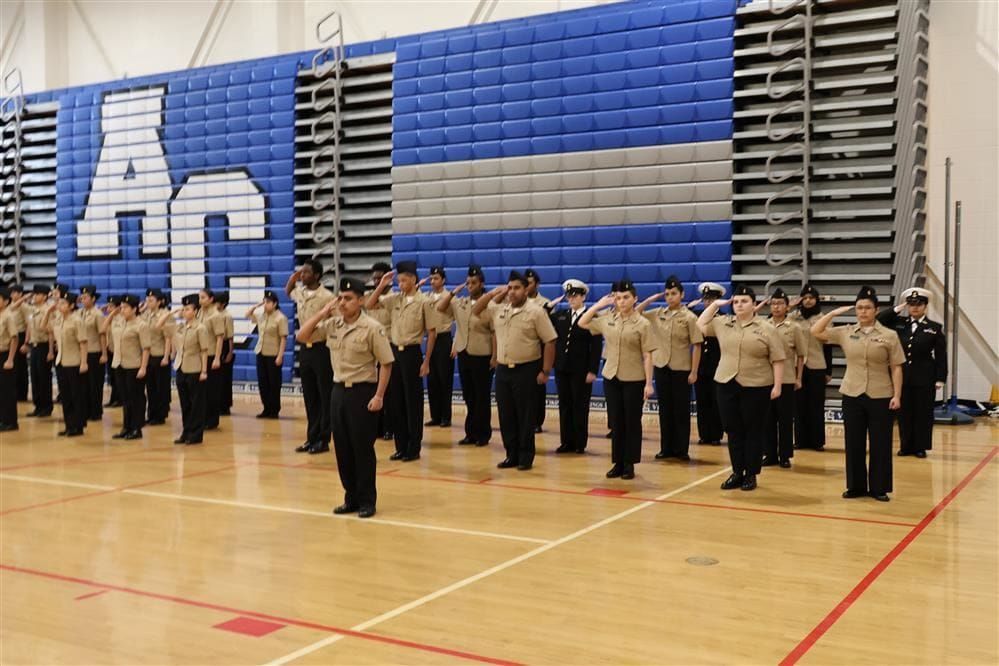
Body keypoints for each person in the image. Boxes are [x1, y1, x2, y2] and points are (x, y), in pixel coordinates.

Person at [297, 277, 394, 519]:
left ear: (361, 300)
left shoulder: (372, 327)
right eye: (340, 298)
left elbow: (386, 363)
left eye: (348, 298)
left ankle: (367, 500)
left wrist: (379, 396)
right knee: (342, 448)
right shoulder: (333, 325)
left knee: (362, 449)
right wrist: (322, 313)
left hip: (362, 392)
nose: (342, 302)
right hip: (338, 392)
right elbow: (302, 335)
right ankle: (351, 497)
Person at [812, 286, 904, 501]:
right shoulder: (846, 332)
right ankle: (856, 486)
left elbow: (897, 367)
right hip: (852, 394)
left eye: (867, 308)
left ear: (876, 310)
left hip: (880, 394)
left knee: (880, 443)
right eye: (859, 308)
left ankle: (879, 487)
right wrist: (833, 314)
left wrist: (897, 395)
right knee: (854, 442)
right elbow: (815, 331)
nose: (863, 311)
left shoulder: (889, 335)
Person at [697, 285, 786, 492]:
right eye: (736, 301)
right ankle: (737, 471)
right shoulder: (723, 323)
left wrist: (778, 385)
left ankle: (751, 474)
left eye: (744, 301)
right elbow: (700, 324)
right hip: (726, 383)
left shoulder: (767, 328)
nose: (739, 305)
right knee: (733, 430)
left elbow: (778, 359)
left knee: (753, 431)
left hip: (756, 385)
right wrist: (716, 305)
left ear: (754, 304)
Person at [473, 271, 557, 470]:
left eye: (517, 288)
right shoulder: (500, 309)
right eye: (510, 288)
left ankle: (525, 456)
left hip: (526, 369)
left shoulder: (536, 312)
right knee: (506, 415)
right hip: (503, 370)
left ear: (526, 290)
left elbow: (550, 341)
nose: (512, 292)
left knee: (525, 416)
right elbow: (476, 309)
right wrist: (495, 293)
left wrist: (545, 371)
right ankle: (511, 454)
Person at [579, 280, 656, 479]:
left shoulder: (643, 324)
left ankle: (629, 463)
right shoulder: (607, 318)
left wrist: (649, 383)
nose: (622, 301)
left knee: (632, 422)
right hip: (611, 377)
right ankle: (618, 462)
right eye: (619, 298)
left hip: (634, 378)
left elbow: (648, 355)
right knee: (616, 421)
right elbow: (582, 322)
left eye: (626, 297)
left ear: (635, 299)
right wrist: (598, 305)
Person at [365, 261, 436, 462]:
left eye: (404, 280)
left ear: (413, 279)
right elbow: (369, 304)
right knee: (396, 402)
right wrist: (381, 285)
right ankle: (401, 446)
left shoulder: (424, 301)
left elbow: (431, 332)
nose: (401, 284)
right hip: (394, 352)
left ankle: (413, 447)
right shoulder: (395, 298)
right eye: (399, 280)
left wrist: (426, 361)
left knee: (412, 403)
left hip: (412, 353)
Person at [638, 275, 703, 462]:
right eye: (667, 294)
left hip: (681, 368)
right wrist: (651, 299)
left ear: (682, 294)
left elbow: (697, 345)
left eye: (673, 293)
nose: (670, 297)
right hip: (662, 367)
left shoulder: (689, 317)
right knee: (665, 409)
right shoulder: (658, 313)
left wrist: (694, 371)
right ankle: (666, 448)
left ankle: (681, 449)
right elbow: (636, 312)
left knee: (681, 410)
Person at [877, 287, 946, 459]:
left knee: (923, 413)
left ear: (925, 306)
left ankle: (920, 447)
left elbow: (941, 355)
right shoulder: (899, 324)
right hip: (902, 375)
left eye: (919, 304)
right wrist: (897, 308)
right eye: (911, 304)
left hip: (925, 376)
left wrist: (940, 378)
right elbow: (879, 320)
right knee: (904, 413)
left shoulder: (934, 328)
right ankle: (906, 445)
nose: (915, 307)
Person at [436, 265, 496, 447]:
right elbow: (440, 307)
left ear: (481, 284)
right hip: (464, 353)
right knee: (469, 396)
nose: (470, 286)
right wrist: (452, 293)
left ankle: (483, 434)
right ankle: (471, 433)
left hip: (482, 354)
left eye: (474, 283)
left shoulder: (490, 305)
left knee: (481, 396)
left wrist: (495, 356)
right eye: (468, 282)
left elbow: (494, 332)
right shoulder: (461, 302)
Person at [286, 260, 335, 454]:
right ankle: (311, 437)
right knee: (310, 396)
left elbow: (334, 322)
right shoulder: (301, 292)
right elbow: (288, 291)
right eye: (302, 271)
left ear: (317, 275)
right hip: (305, 349)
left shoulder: (327, 297)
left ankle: (323, 439)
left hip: (321, 348)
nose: (302, 275)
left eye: (306, 272)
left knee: (324, 396)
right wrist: (293, 278)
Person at [549, 279, 602, 454]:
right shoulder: (561, 315)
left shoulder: (591, 316)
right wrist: (549, 306)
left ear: (583, 297)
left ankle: (579, 442)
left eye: (575, 296)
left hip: (581, 369)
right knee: (565, 405)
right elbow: (543, 318)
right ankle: (566, 441)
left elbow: (596, 346)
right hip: (562, 367)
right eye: (569, 296)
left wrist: (592, 370)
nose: (571, 299)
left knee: (580, 405)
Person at [761, 289, 807, 469]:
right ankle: (770, 454)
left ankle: (785, 455)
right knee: (767, 419)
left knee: (785, 419)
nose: (776, 307)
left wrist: (799, 377)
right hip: (766, 378)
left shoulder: (794, 327)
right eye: (773, 303)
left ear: (787, 307)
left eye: (780, 303)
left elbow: (801, 355)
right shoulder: (763, 325)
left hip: (787, 378)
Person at [161, 294, 212, 445]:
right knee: (185, 404)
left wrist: (204, 371)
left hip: (195, 369)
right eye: (183, 309)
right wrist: (171, 313)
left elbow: (204, 351)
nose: (184, 312)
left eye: (188, 309)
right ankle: (186, 431)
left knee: (196, 404)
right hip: (181, 368)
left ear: (195, 311)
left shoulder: (200, 328)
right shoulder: (180, 327)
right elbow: (159, 325)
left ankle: (196, 434)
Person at [790, 283, 834, 451]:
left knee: (816, 405)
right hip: (797, 366)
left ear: (817, 300)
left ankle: (817, 441)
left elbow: (828, 346)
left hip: (817, 365)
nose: (808, 301)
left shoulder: (824, 319)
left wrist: (828, 371)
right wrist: (789, 307)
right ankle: (800, 440)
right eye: (805, 298)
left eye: (811, 298)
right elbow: (776, 323)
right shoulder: (793, 317)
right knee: (799, 405)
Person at [105, 295, 151, 440]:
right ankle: (126, 427)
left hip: (134, 365)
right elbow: (103, 328)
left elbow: (146, 348)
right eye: (121, 307)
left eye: (125, 307)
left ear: (134, 309)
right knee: (125, 398)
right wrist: (113, 312)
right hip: (119, 364)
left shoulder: (141, 325)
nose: (122, 310)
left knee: (135, 398)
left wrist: (143, 367)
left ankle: (137, 428)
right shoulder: (120, 322)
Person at [47, 291, 88, 437]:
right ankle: (69, 425)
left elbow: (83, 342)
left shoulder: (77, 320)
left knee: (76, 395)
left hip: (74, 362)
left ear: (71, 306)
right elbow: (44, 327)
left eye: (63, 303)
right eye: (59, 303)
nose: (60, 305)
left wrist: (84, 362)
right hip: (61, 361)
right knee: (66, 396)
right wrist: (48, 311)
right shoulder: (59, 319)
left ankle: (78, 426)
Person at [690, 282, 726, 445]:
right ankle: (704, 434)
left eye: (711, 299)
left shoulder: (723, 318)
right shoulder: (698, 316)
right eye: (705, 299)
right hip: (701, 366)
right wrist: (690, 306)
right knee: (702, 401)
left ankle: (716, 435)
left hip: (717, 365)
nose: (707, 302)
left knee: (715, 402)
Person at [247, 290, 288, 419]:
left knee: (274, 383)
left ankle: (274, 410)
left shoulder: (281, 318)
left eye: (268, 302)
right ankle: (266, 408)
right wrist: (257, 305)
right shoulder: (262, 316)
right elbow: (248, 314)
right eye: (264, 302)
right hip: (261, 352)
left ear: (275, 303)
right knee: (263, 382)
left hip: (273, 354)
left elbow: (283, 338)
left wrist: (280, 356)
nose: (266, 304)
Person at [424, 266, 455, 429]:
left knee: (445, 379)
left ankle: (445, 416)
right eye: (431, 278)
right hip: (430, 339)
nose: (433, 281)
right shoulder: (426, 297)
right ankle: (435, 415)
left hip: (443, 338)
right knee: (432, 379)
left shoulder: (450, 297)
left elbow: (459, 319)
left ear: (443, 280)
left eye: (436, 278)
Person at [366, 261, 394, 441]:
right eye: (374, 279)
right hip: (371, 351)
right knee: (372, 390)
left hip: (388, 346)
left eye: (380, 278)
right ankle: (376, 427)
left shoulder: (394, 298)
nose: (376, 281)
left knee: (389, 392)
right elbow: (368, 307)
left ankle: (389, 427)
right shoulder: (370, 296)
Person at [524, 268, 550, 433]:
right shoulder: (518, 302)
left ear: (537, 284)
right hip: (523, 347)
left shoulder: (545, 303)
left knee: (538, 387)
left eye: (530, 283)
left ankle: (537, 421)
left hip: (539, 348)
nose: (527, 286)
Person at [143, 289, 174, 426]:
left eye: (151, 300)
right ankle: (151, 414)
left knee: (161, 387)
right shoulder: (146, 314)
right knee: (150, 387)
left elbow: (168, 338)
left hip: (160, 354)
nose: (148, 302)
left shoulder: (165, 315)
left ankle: (160, 415)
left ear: (159, 301)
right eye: (147, 300)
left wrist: (166, 357)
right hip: (149, 355)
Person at [197, 289, 226, 431]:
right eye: (199, 297)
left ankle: (212, 420)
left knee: (212, 390)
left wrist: (217, 358)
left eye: (203, 297)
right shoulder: (199, 313)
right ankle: (202, 417)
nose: (200, 300)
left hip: (211, 354)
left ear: (211, 299)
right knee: (201, 390)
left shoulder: (216, 315)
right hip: (200, 355)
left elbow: (219, 338)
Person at [78, 285, 107, 421]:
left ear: (93, 299)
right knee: (83, 385)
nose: (83, 300)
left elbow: (102, 334)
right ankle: (85, 410)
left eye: (86, 297)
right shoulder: (80, 313)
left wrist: (104, 354)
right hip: (82, 353)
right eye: (82, 297)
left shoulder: (98, 314)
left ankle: (95, 412)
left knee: (94, 384)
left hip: (94, 352)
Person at [25, 285, 54, 418]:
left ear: (44, 296)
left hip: (44, 346)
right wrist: (27, 344)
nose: (35, 296)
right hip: (34, 346)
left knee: (44, 378)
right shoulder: (33, 310)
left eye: (37, 294)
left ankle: (46, 406)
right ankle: (38, 406)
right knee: (35, 377)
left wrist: (50, 351)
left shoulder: (47, 310)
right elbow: (30, 328)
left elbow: (50, 332)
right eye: (34, 294)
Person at [0, 288, 19, 431]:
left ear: (6, 301)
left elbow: (14, 338)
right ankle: (3, 419)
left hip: (6, 355)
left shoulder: (8, 316)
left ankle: (10, 422)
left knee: (7, 390)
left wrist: (10, 359)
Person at [102, 295, 125, 410]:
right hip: (110, 350)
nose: (108, 309)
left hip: (120, 352)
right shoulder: (110, 318)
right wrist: (109, 314)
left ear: (118, 308)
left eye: (111, 306)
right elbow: (103, 329)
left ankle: (120, 399)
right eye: (108, 306)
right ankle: (113, 399)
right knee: (112, 377)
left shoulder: (122, 319)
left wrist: (112, 314)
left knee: (118, 378)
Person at [7, 284, 28, 402]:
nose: (12, 294)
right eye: (11, 292)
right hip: (10, 337)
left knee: (21, 367)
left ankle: (22, 394)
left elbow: (28, 325)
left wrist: (26, 342)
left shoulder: (24, 307)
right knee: (13, 367)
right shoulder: (9, 305)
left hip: (20, 336)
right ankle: (14, 392)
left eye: (15, 292)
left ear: (20, 294)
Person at [216, 291, 235, 416]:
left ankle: (225, 406)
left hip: (225, 345)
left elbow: (230, 336)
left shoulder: (227, 316)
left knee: (225, 379)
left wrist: (230, 352)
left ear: (223, 304)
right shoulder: (215, 314)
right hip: (217, 345)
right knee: (218, 379)